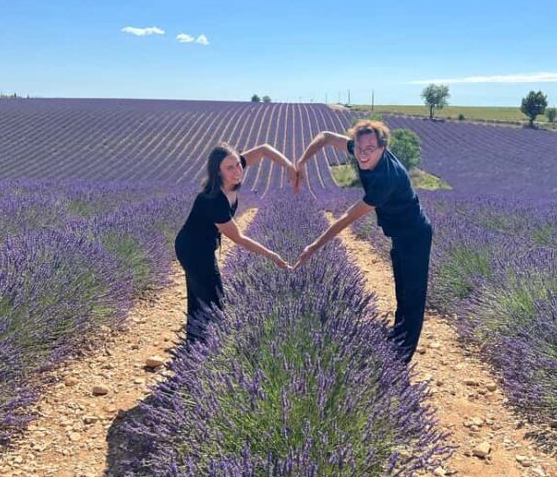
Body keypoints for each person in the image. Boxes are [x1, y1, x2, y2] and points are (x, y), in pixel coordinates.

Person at [293, 120, 433, 363]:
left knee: (413, 296)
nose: (362, 154)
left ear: (383, 147)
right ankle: (396, 340)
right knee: (402, 290)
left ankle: (400, 360)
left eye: (369, 149)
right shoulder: (361, 151)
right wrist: (302, 162)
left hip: (415, 235)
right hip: (398, 234)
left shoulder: (385, 179)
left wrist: (314, 246)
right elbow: (325, 136)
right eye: (358, 147)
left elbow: (347, 217)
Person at [175, 142, 295, 343]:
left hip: (201, 244)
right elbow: (239, 238)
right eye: (230, 168)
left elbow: (264, 150)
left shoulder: (234, 169)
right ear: (218, 172)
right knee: (214, 299)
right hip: (192, 249)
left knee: (200, 296)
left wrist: (289, 165)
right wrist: (272, 255)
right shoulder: (214, 200)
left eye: (238, 164)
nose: (237, 170)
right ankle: (208, 346)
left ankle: (195, 344)